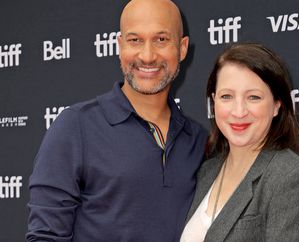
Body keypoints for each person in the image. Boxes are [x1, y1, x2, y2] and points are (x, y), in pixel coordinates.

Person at [26, 0, 207, 241]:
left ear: (182, 48)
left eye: (161, 39)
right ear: (120, 46)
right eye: (135, 40)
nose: (148, 55)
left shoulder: (198, 139)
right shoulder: (75, 127)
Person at [180, 43, 299, 242]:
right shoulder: (206, 171)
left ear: (276, 105)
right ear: (214, 102)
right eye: (226, 96)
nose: (239, 111)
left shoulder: (292, 178)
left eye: (253, 97)